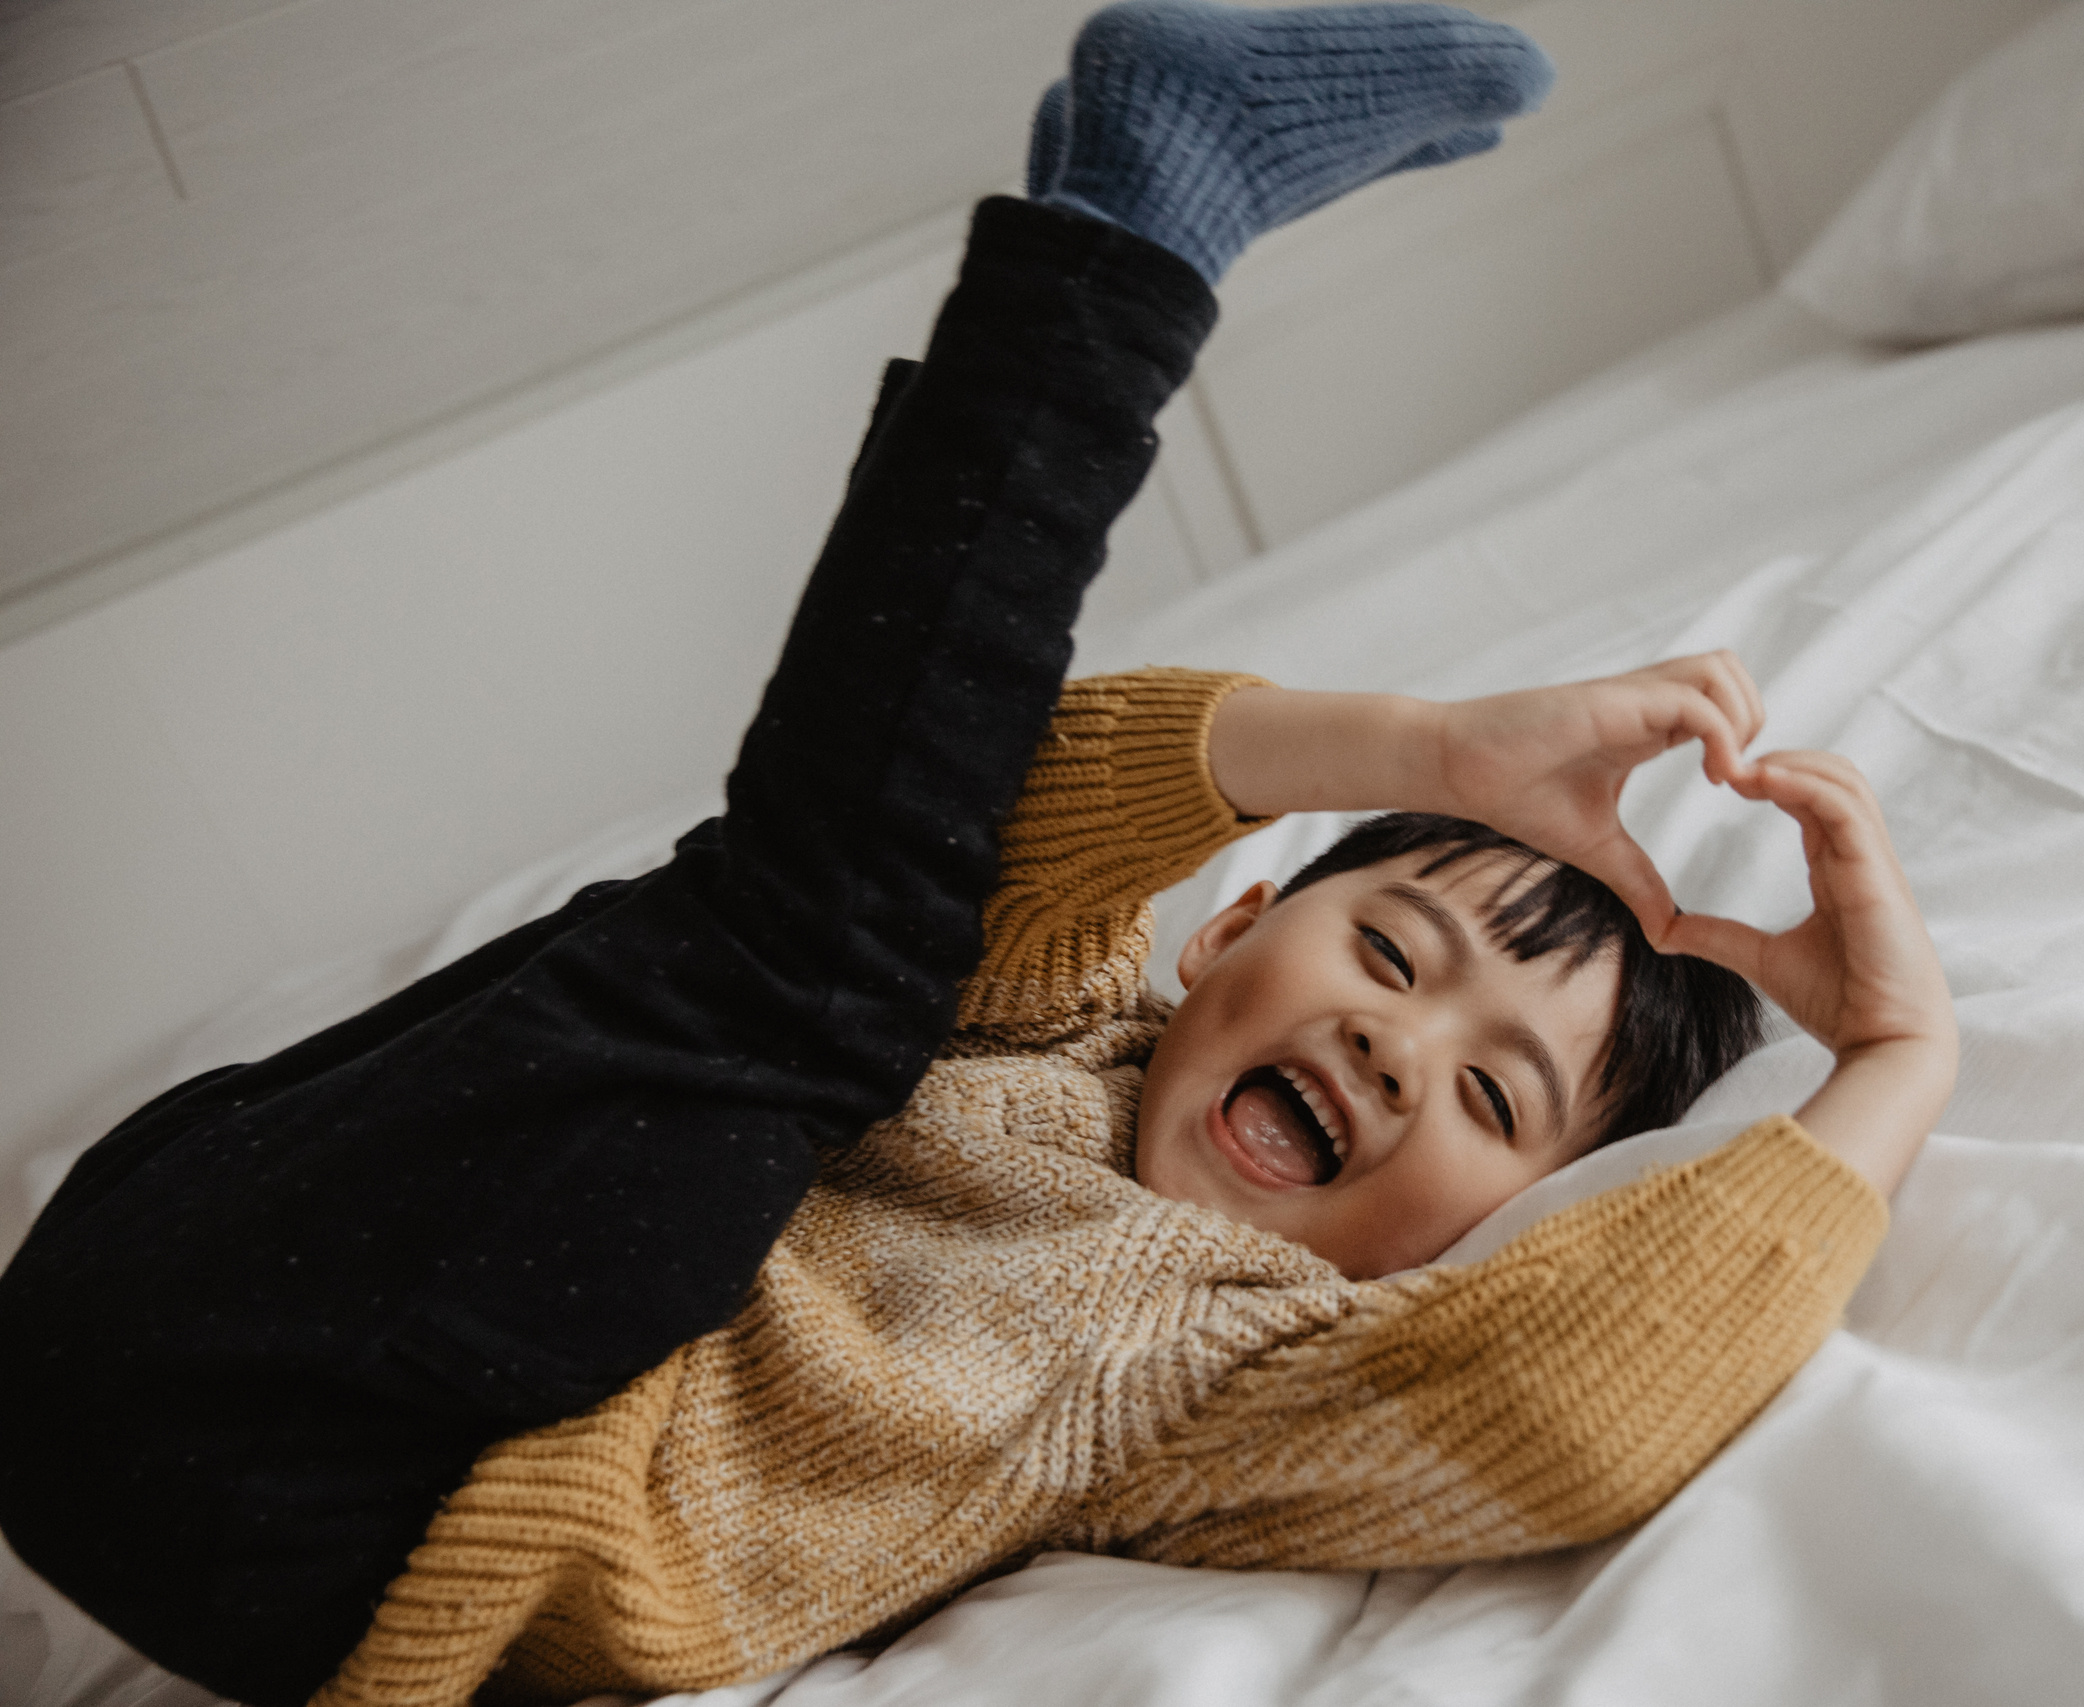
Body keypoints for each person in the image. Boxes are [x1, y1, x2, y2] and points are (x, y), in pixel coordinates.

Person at [0, 5, 1957, 1705]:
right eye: (1389, 955)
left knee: (806, 958)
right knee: (818, 922)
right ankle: (1115, 217)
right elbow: (1031, 786)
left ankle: (1120, 227)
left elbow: (1565, 1398)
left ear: (1460, 1235)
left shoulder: (1230, 1361)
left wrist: (1892, 1059)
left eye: (1484, 1089)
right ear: (1238, 926)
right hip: (193, 1233)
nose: (1390, 1048)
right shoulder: (1059, 1021)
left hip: (338, 1509)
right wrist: (1425, 746)